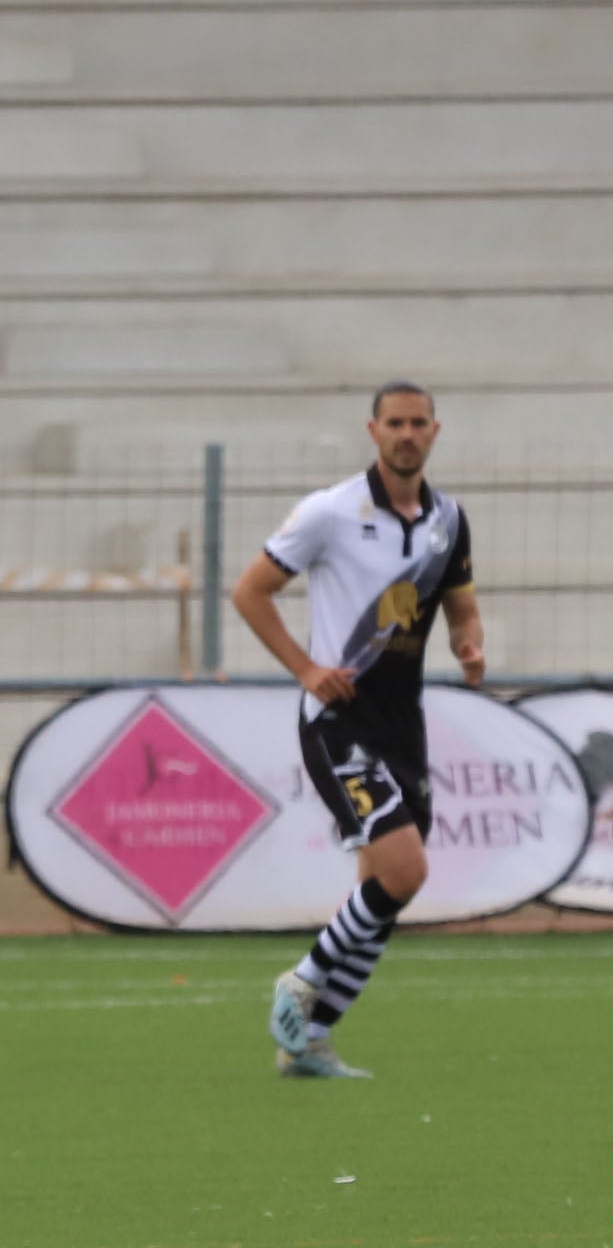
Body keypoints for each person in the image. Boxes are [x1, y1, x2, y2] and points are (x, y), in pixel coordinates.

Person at [235, 381, 484, 1080]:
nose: (406, 434)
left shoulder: (448, 521)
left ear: (436, 430)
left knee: (385, 887)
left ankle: (307, 1043)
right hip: (336, 720)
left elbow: (461, 607)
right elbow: (249, 591)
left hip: (401, 723)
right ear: (371, 430)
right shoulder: (329, 512)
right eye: (393, 423)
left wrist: (469, 644)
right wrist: (305, 668)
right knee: (405, 869)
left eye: (417, 423)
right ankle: (302, 979)